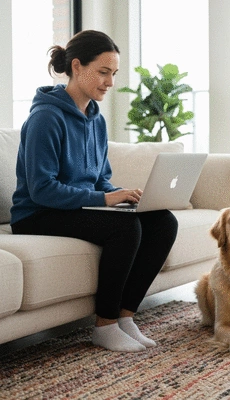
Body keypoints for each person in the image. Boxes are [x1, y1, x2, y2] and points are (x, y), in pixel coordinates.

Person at [10, 30, 178, 352]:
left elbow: (100, 179)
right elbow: (42, 189)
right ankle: (105, 325)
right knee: (126, 228)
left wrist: (122, 194)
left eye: (113, 74)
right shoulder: (45, 117)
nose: (110, 82)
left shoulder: (96, 120)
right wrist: (104, 200)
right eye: (103, 72)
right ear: (76, 66)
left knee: (162, 221)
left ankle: (126, 317)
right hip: (38, 214)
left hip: (77, 208)